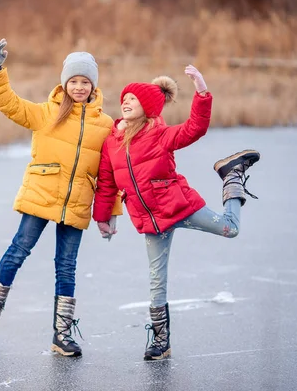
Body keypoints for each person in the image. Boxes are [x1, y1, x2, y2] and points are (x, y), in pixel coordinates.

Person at [92, 65, 260, 361]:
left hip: (178, 206)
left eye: (133, 98)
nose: (126, 102)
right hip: (149, 222)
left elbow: (194, 128)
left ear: (148, 108)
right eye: (124, 98)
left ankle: (232, 176)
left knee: (230, 228)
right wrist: (103, 217)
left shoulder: (160, 135)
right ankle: (161, 341)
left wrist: (202, 90)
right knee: (157, 279)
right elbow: (106, 182)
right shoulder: (111, 141)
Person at [0, 39, 122, 357]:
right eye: (74, 81)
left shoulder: (105, 125)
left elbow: (110, 174)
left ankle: (62, 335)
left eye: (85, 82)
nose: (80, 87)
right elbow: (9, 104)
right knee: (18, 252)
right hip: (42, 194)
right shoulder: (46, 114)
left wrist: (110, 211)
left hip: (78, 201)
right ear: (65, 83)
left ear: (93, 85)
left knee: (66, 267)